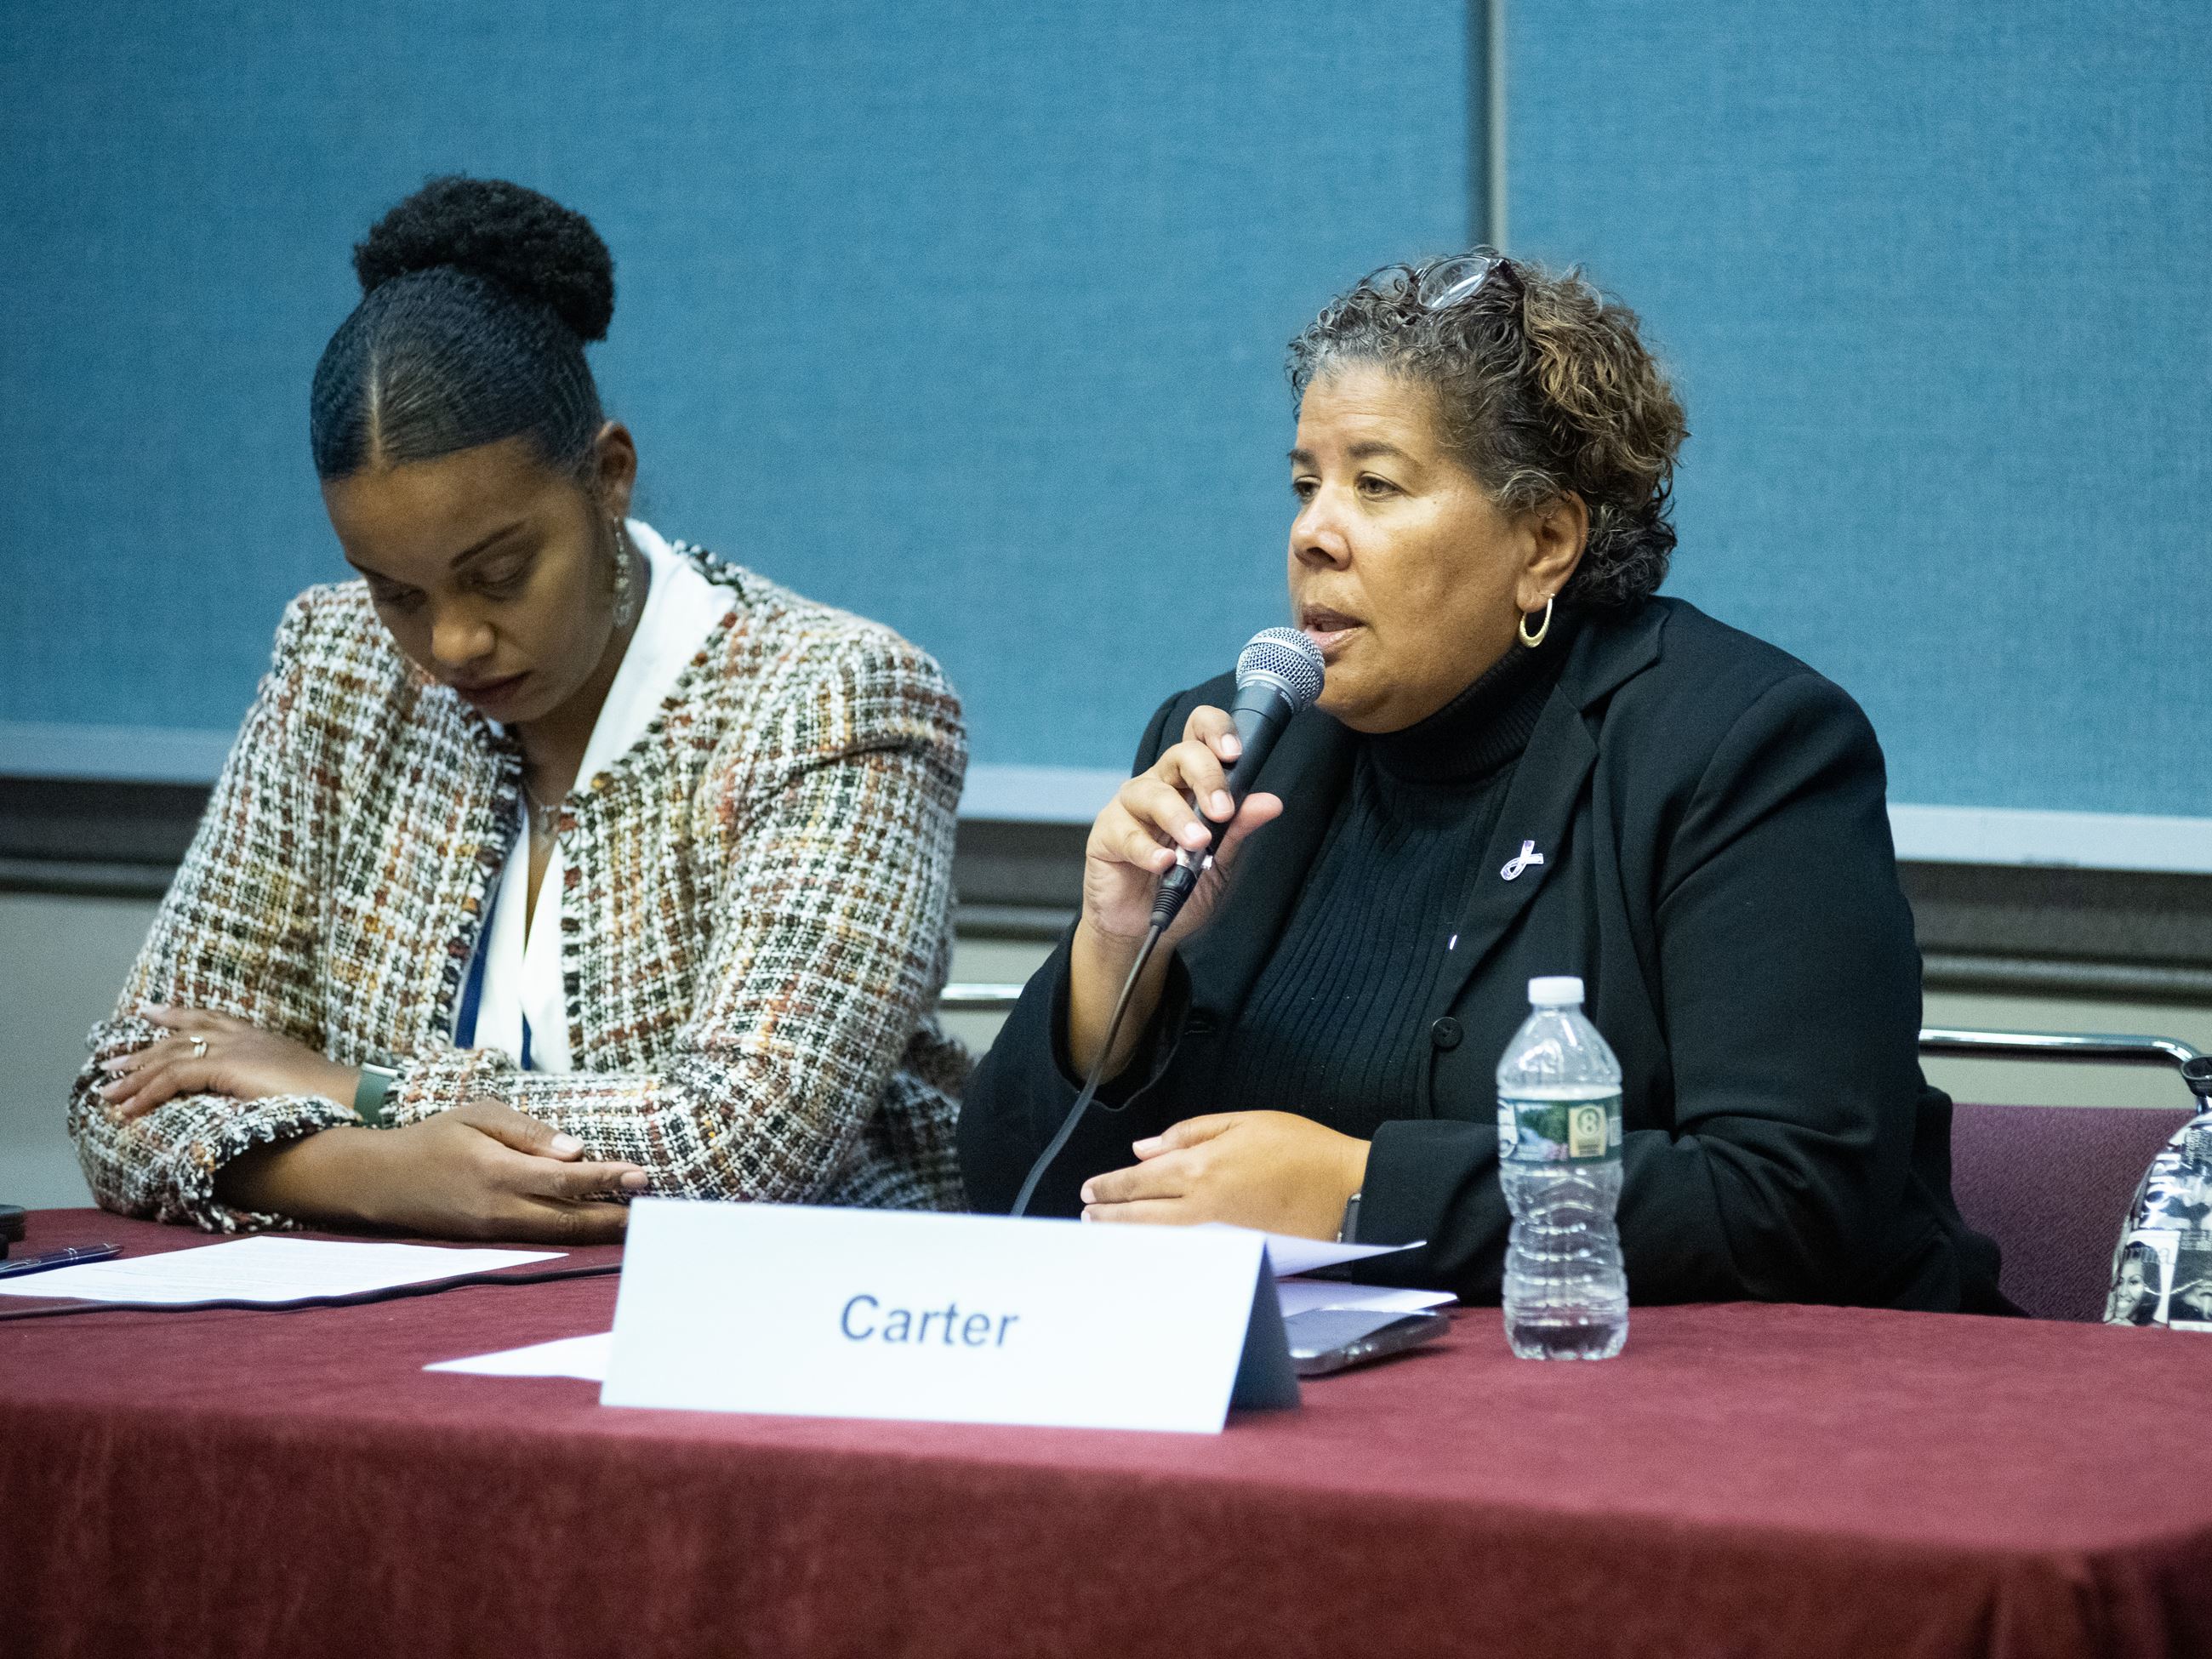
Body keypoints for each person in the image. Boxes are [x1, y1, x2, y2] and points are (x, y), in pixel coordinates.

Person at [960, 251, 2004, 1310]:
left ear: (1543, 541)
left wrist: (1356, 1189)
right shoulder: (1237, 746)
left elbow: (1790, 1196)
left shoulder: (1739, 748)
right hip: (1319, 1396)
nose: (1312, 532)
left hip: (1724, 1413)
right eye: (1303, 483)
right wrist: (1114, 958)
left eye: (1373, 484)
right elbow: (1013, 1195)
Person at [71, 178, 967, 1241]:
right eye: (396, 591)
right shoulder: (338, 666)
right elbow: (127, 1091)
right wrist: (380, 1177)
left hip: (768, 1336)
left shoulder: (830, 697)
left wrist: (358, 1092)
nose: (450, 643)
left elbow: (735, 1146)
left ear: (608, 477)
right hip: (387, 1316)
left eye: (497, 573)